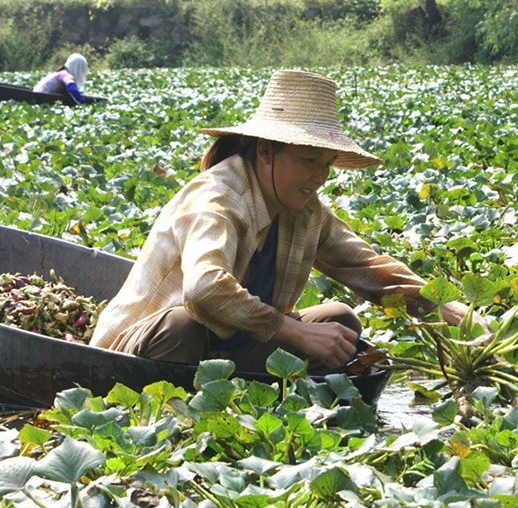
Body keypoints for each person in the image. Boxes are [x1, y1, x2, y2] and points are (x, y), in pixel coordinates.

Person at [90, 69, 485, 373]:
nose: (320, 176)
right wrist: (296, 332)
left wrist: (457, 314)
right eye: (309, 161)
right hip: (147, 351)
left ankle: (246, 404)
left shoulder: (304, 210)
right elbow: (204, 289)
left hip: (230, 351)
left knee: (339, 321)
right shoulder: (218, 200)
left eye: (327, 164)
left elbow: (371, 269)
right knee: (183, 325)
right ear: (266, 151)